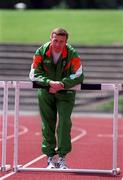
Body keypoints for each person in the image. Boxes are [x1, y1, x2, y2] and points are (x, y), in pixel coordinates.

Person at [29, 28, 84, 169]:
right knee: (47, 124)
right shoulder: (41, 51)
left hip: (66, 92)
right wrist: (49, 83)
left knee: (64, 122)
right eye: (55, 40)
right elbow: (34, 74)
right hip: (46, 91)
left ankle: (62, 158)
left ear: (66, 42)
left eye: (61, 41)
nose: (58, 44)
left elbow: (78, 75)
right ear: (50, 38)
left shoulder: (72, 54)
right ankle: (50, 159)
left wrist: (62, 84)